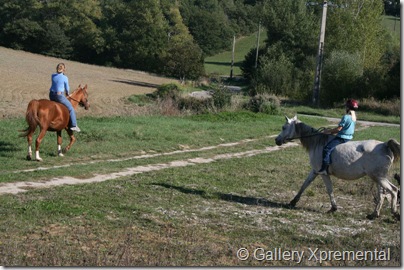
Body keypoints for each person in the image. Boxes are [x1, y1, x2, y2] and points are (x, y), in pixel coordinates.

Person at [317, 99, 358, 175]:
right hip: (349, 137)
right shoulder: (354, 117)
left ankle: (325, 168)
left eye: (346, 107)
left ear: (348, 108)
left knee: (326, 149)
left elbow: (339, 129)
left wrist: (327, 131)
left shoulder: (346, 117)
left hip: (342, 138)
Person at [49, 63, 81, 132]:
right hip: (59, 96)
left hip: (51, 95)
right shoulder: (65, 77)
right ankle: (74, 125)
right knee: (71, 108)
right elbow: (67, 88)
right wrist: (67, 93)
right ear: (64, 69)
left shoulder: (53, 75)